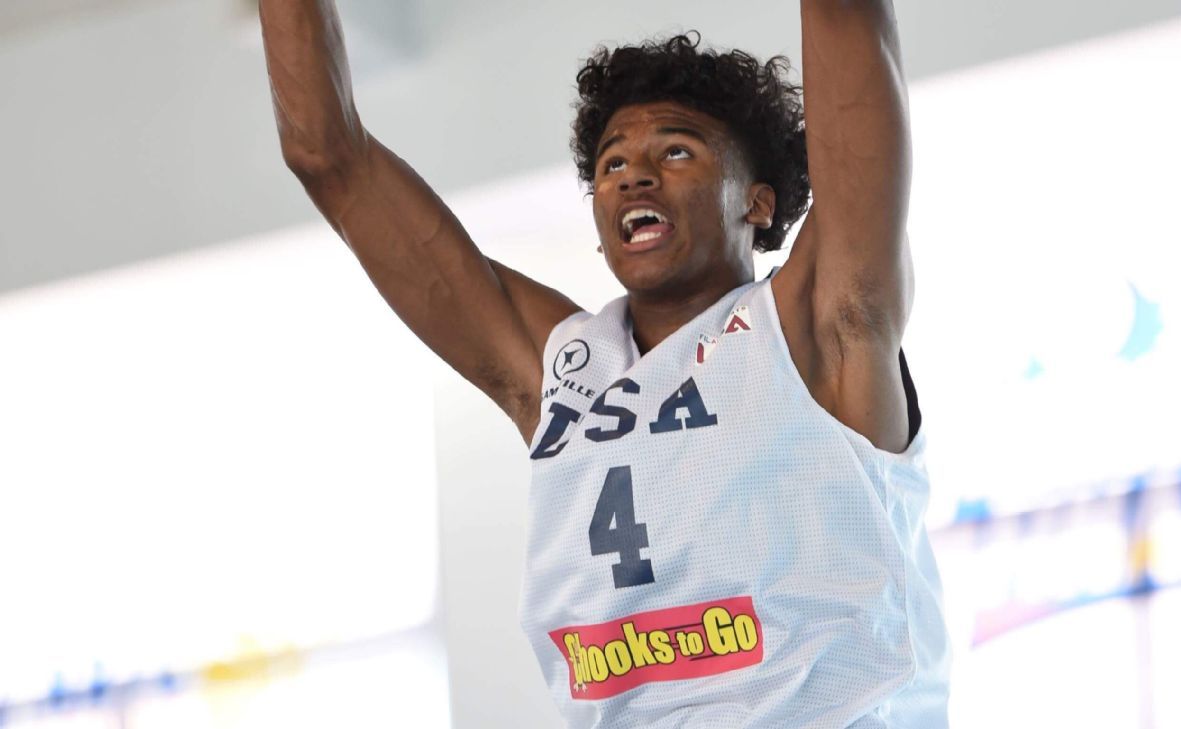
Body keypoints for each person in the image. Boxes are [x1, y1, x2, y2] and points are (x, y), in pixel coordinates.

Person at [259, 1, 950, 726]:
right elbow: (326, 158)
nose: (633, 176)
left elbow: (844, 16)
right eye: (612, 164)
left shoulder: (820, 321)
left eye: (676, 152)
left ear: (758, 202)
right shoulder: (563, 366)